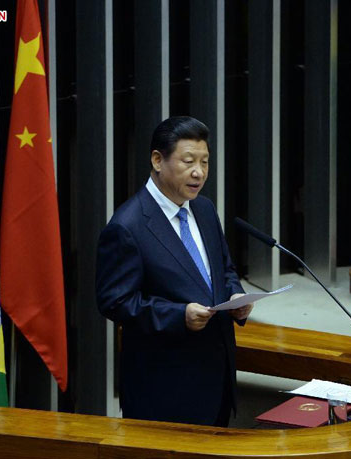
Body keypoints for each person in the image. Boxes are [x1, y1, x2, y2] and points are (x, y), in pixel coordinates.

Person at [96, 116, 253, 427]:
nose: (199, 172)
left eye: (205, 162)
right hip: (165, 389)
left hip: (216, 378)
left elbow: (224, 268)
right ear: (158, 160)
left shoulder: (204, 209)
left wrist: (235, 295)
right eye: (188, 161)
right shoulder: (128, 226)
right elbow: (114, 301)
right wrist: (177, 315)